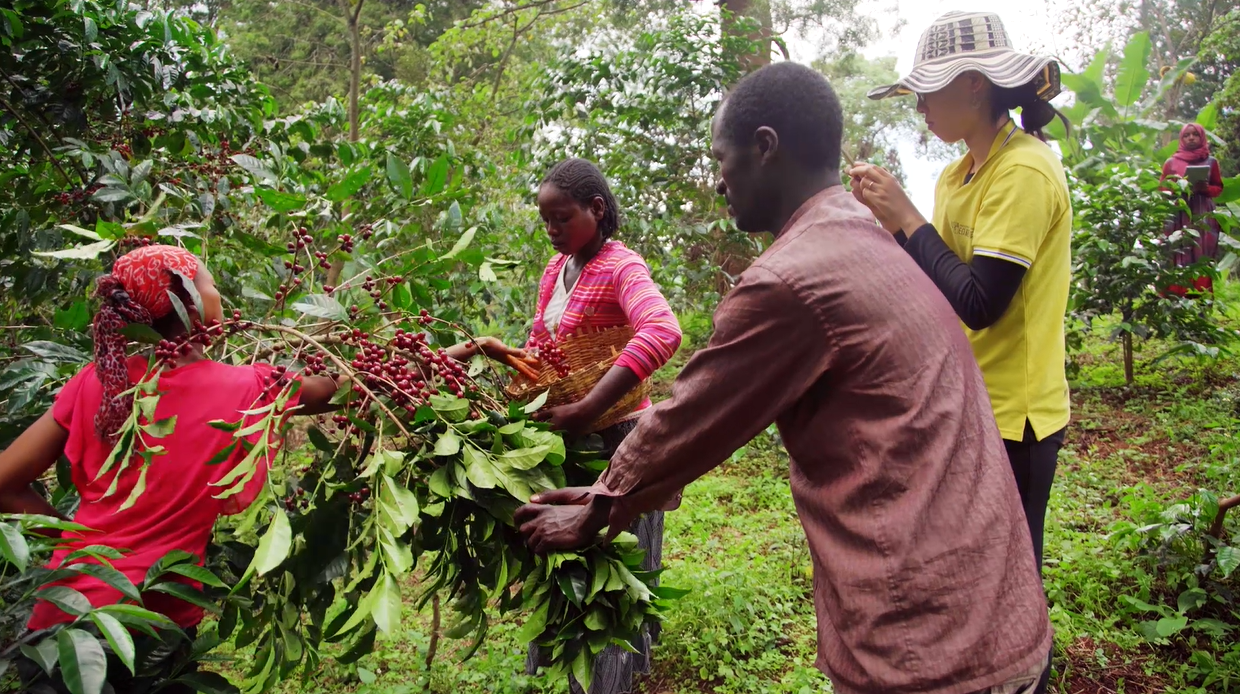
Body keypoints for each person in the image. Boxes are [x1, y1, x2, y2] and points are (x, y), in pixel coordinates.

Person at [515, 62, 1052, 694]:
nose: (719, 184)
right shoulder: (866, 234)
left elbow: (694, 412)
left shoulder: (790, 278)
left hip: (931, 649)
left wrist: (602, 504)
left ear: (766, 148)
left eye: (724, 160)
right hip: (999, 615)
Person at [0, 245, 341, 693]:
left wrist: (75, 541)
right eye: (212, 284)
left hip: (63, 618)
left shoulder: (99, 381)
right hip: (151, 627)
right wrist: (453, 353)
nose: (220, 296)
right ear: (189, 298)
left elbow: (5, 482)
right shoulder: (248, 387)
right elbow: (344, 389)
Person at [847, 11, 1072, 580]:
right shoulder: (957, 176)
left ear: (975, 84)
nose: (919, 107)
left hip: (1015, 415)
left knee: (1012, 570)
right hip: (966, 398)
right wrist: (886, 225)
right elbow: (936, 280)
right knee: (972, 567)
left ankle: (1030, 669)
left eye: (927, 92)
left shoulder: (1025, 171)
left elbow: (980, 303)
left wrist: (908, 218)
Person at [484, 158, 682, 694]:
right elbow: (546, 348)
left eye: (562, 218)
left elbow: (662, 331)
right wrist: (502, 360)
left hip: (619, 439)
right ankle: (561, 673)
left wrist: (588, 408)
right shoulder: (556, 270)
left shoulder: (621, 267)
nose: (552, 230)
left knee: (613, 579)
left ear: (597, 209)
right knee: (567, 563)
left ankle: (607, 683)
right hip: (567, 441)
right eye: (545, 220)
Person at [1160, 122, 1226, 295]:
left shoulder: (1211, 162)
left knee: (1201, 256)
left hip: (1202, 215)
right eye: (1187, 135)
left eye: (1195, 135)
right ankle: (1175, 298)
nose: (1191, 138)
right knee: (1177, 253)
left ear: (1201, 137)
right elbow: (1162, 190)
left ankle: (1200, 299)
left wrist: (1204, 189)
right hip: (1178, 214)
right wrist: (1178, 189)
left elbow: (1218, 188)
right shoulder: (1171, 162)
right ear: (1181, 139)